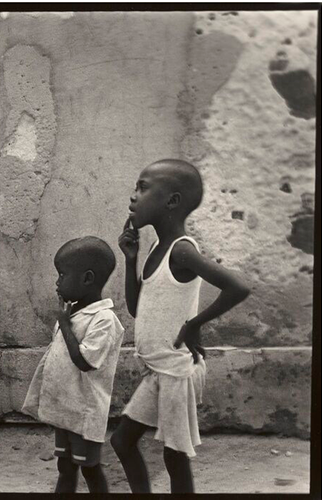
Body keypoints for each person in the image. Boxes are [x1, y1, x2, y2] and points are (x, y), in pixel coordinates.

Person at [112, 159, 251, 493]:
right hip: (158, 372)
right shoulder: (157, 249)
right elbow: (136, 308)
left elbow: (238, 287)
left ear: (171, 201)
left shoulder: (181, 251)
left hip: (175, 374)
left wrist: (194, 324)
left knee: (174, 459)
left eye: (143, 188)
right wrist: (130, 260)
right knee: (122, 442)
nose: (133, 196)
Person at [22, 236, 124, 493]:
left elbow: (85, 362)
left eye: (62, 275)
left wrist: (65, 325)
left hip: (85, 414)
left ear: (87, 279)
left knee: (90, 469)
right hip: (66, 411)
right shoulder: (73, 313)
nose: (57, 282)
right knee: (65, 468)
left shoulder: (104, 320)